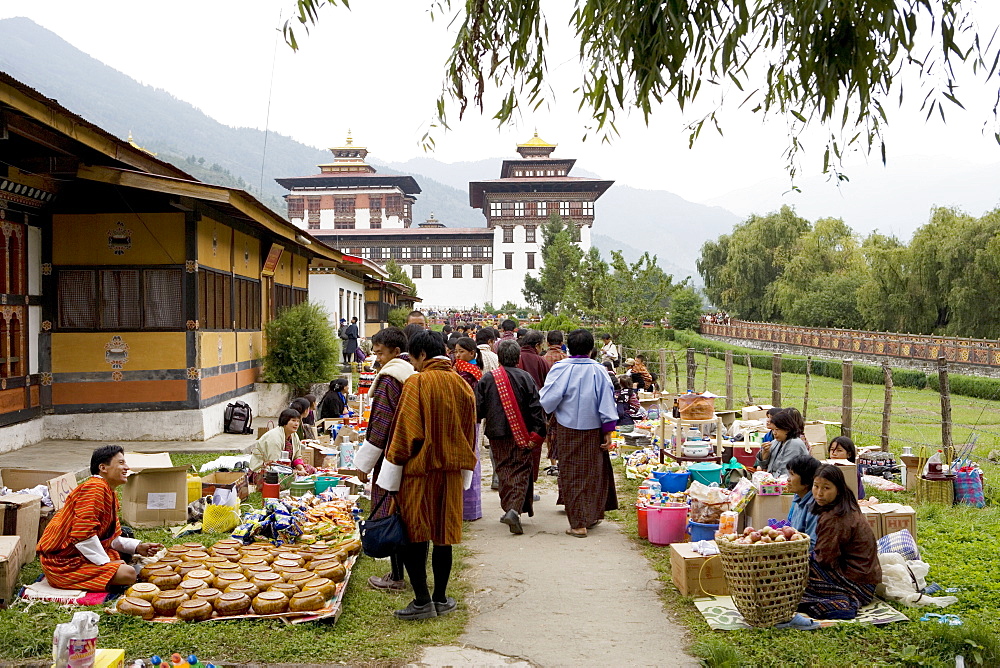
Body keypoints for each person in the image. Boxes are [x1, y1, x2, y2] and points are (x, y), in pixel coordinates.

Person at [376, 330, 477, 620]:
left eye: (414, 358)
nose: (414, 364)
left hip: (420, 473)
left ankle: (422, 601)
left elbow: (406, 432)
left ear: (421, 355)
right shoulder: (462, 384)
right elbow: (471, 432)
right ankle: (441, 598)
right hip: (452, 472)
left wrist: (391, 471)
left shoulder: (417, 383)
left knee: (415, 534)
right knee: (443, 536)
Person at [37, 446, 162, 591]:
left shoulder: (109, 491)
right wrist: (107, 564)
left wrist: (137, 547)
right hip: (62, 562)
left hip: (79, 553)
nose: (127, 467)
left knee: (124, 544)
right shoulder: (94, 488)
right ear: (103, 467)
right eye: (121, 463)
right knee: (128, 574)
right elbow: (82, 535)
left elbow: (111, 537)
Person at [353, 327, 416, 592]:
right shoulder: (411, 374)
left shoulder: (389, 378)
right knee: (404, 514)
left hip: (391, 457)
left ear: (393, 351)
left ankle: (396, 576)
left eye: (379, 353)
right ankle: (405, 576)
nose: (377, 359)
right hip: (410, 454)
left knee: (391, 514)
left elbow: (379, 426)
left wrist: (363, 464)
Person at [540, 329, 619, 538]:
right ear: (592, 349)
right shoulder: (600, 370)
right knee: (593, 473)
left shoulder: (560, 369)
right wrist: (608, 431)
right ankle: (590, 516)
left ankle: (578, 523)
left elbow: (547, 400)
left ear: (569, 347)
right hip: (593, 429)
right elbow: (607, 402)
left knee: (571, 473)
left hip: (567, 429)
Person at [476, 340, 547, 534]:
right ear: (517, 358)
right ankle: (514, 510)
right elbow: (535, 408)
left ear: (499, 358)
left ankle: (509, 509)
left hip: (497, 434)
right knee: (521, 471)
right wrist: (539, 432)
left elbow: (478, 409)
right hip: (522, 434)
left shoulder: (488, 379)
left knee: (504, 471)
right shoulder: (526, 378)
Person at [798, 464, 882, 620]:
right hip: (866, 580)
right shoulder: (845, 507)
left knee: (797, 573)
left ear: (838, 489)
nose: (819, 493)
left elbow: (825, 559)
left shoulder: (835, 518)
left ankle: (842, 603)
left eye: (826, 488)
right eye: (816, 486)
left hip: (858, 585)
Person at [454, 337, 484, 522]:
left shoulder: (468, 373)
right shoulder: (464, 370)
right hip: (470, 420)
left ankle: (467, 509)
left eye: (462, 352)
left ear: (472, 353)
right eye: (456, 351)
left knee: (468, 459)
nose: (458, 355)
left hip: (467, 421)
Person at [250, 408, 308, 474]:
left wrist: (301, 469)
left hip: (286, 467)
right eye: (293, 420)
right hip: (266, 469)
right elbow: (274, 465)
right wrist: (296, 472)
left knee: (310, 469)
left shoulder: (294, 436)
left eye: (298, 421)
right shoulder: (274, 437)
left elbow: (297, 457)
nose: (296, 424)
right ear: (285, 421)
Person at [754, 408, 810, 475]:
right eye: (773, 430)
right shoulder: (776, 442)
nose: (774, 433)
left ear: (787, 428)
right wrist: (765, 453)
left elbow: (785, 472)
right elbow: (763, 466)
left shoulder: (794, 444)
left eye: (777, 429)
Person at [785, 454, 822, 542]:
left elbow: (812, 543)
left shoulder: (814, 507)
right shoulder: (798, 499)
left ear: (807, 481)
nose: (788, 479)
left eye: (792, 474)